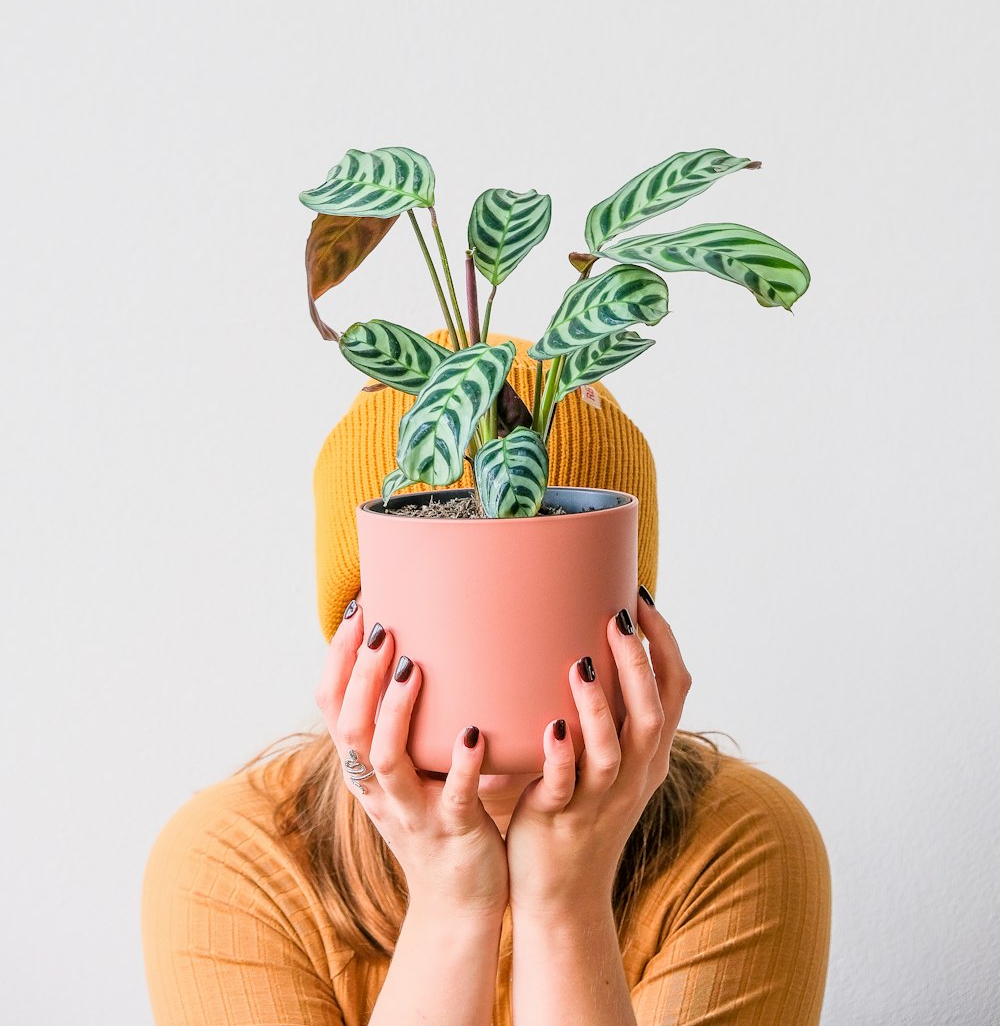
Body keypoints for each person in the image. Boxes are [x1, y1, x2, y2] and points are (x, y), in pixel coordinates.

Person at [141, 330, 831, 1025]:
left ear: (633, 622)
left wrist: (565, 907)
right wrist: (450, 907)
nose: (490, 667)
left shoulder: (741, 843)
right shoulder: (232, 868)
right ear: (352, 637)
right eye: (441, 616)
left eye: (544, 606)